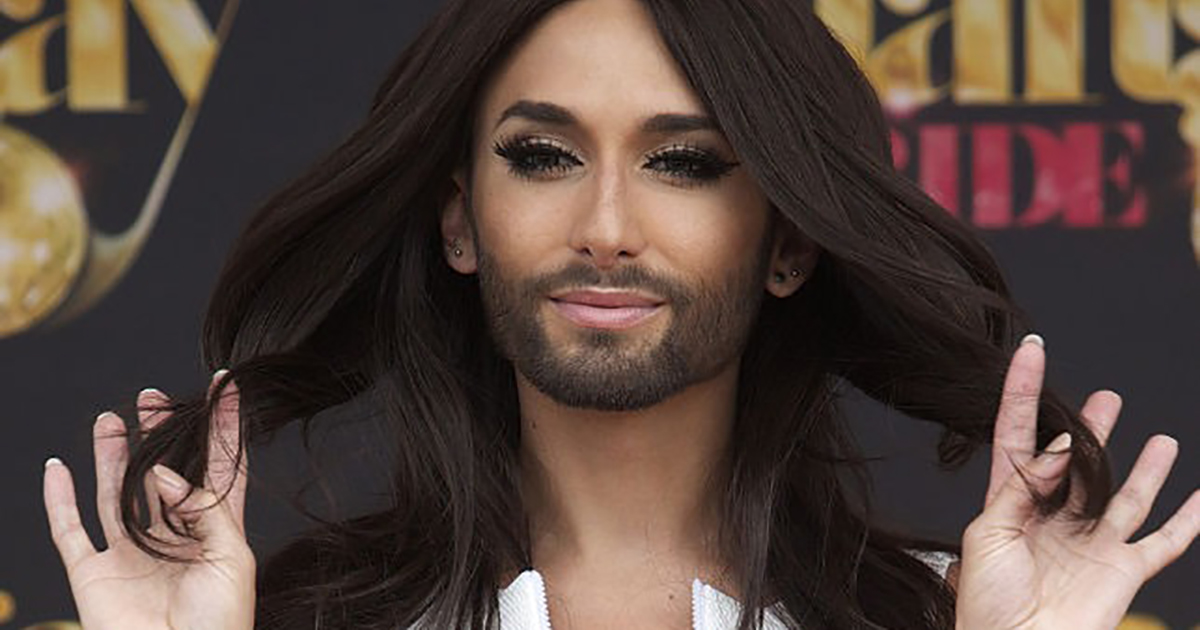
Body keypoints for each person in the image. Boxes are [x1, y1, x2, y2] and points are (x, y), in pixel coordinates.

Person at [41, 0, 1198, 628]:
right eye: (542, 155)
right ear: (460, 221)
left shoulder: (953, 620)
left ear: (788, 241)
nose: (605, 225)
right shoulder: (271, 621)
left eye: (683, 163)